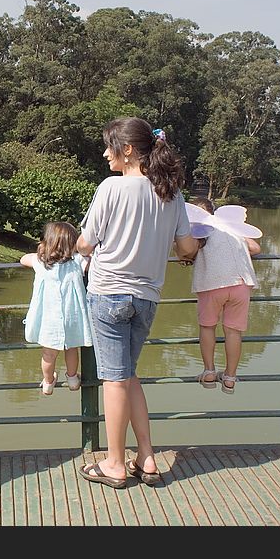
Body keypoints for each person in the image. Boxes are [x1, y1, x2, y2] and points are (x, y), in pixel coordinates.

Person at [76, 118, 199, 489]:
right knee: (128, 376)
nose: (104, 153)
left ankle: (114, 463)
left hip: (108, 293)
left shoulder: (111, 188)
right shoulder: (172, 193)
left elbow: (85, 243)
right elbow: (187, 248)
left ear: (127, 150)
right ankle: (146, 458)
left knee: (113, 380)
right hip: (147, 298)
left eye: (109, 146)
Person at [189, 197, 262, 394]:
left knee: (207, 327)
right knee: (233, 332)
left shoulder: (197, 229)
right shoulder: (229, 225)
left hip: (211, 283)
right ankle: (229, 378)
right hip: (241, 283)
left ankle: (209, 372)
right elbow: (256, 248)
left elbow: (187, 251)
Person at [20, 222, 93, 395]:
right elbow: (92, 260)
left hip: (48, 320)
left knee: (48, 354)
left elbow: (23, 259)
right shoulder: (78, 261)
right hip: (72, 317)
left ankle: (48, 381)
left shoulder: (41, 261)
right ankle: (73, 378)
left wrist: (41, 252)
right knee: (72, 348)